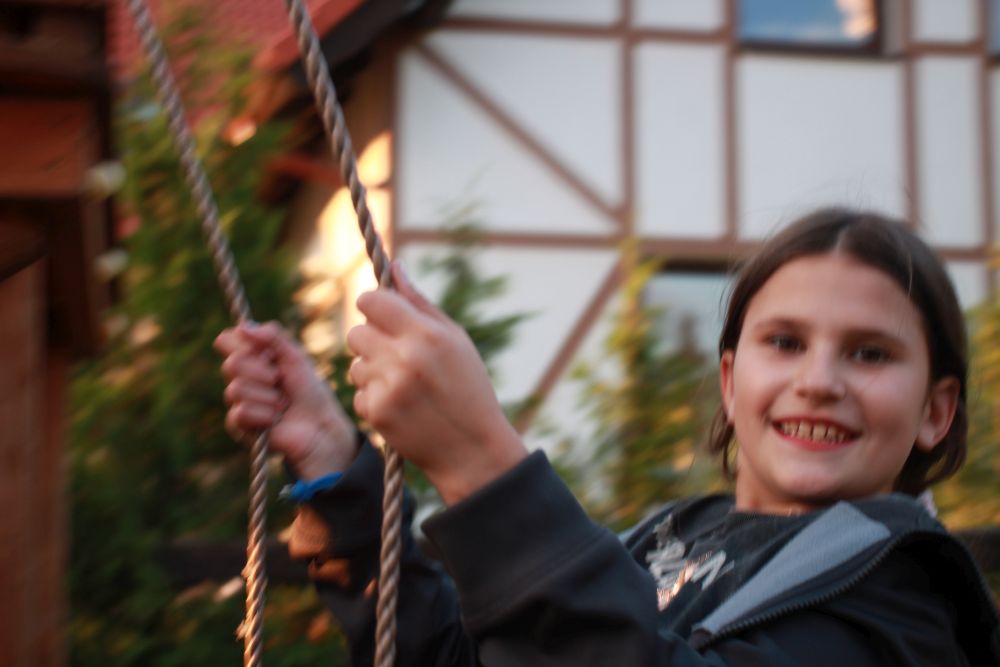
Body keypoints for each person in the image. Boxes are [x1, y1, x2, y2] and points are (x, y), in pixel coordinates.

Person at [215, 208, 1000, 665]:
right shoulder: (671, 532)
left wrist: (482, 462)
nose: (819, 380)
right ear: (731, 381)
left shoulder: (908, 601)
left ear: (936, 411)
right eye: (785, 342)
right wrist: (336, 467)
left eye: (870, 353)